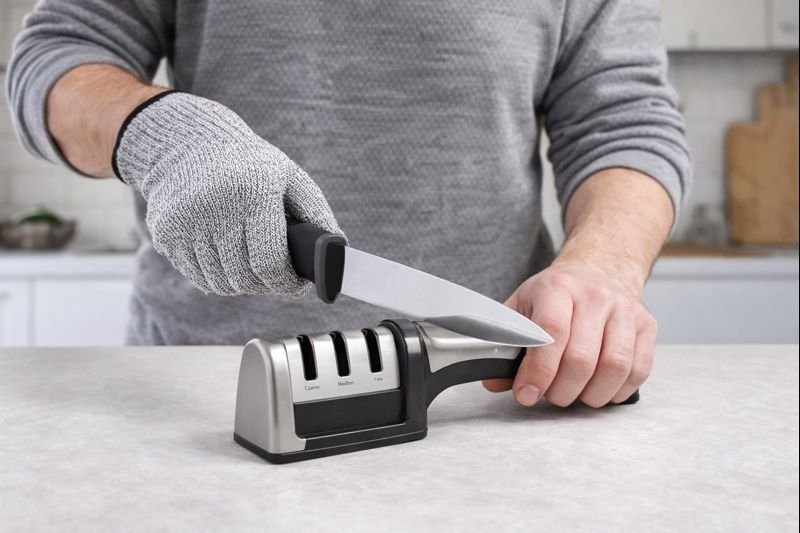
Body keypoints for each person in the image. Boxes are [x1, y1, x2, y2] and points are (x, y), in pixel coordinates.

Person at [5, 1, 691, 409]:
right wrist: (162, 134)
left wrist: (602, 266)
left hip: (486, 394)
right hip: (211, 398)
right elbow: (57, 57)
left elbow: (625, 118)